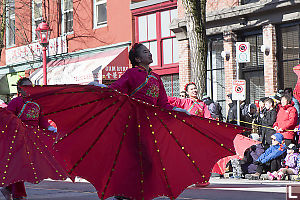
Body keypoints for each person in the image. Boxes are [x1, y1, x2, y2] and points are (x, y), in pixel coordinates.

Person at [0, 77, 67, 200]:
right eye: (26, 86)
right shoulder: (16, 102)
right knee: (20, 167)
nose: (29, 89)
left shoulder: (37, 104)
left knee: (28, 167)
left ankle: (8, 188)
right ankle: (18, 195)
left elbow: (41, 121)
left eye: (31, 86)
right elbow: (7, 118)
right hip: (17, 139)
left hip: (32, 140)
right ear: (20, 88)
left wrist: (51, 129)